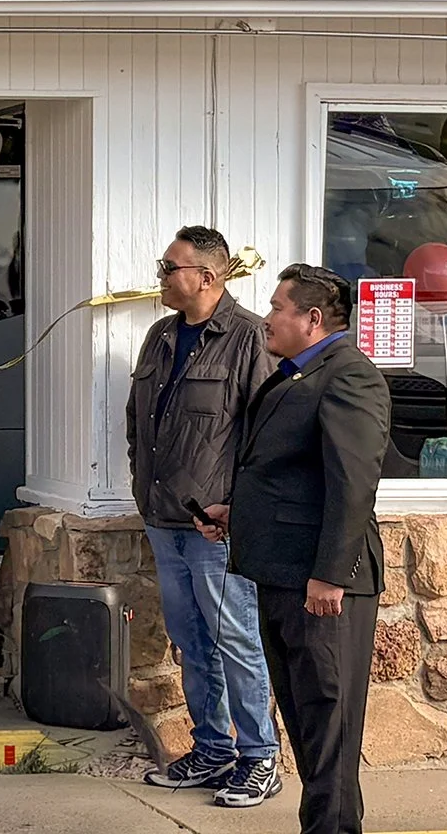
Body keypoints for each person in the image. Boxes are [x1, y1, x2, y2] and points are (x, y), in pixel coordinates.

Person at [198, 264, 389, 834]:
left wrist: (331, 574)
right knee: (309, 725)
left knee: (328, 724)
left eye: (278, 307)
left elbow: (353, 482)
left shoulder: (349, 376)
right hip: (283, 575)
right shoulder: (294, 375)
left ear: (311, 319)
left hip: (323, 584)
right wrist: (240, 516)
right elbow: (293, 476)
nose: (266, 318)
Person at [125, 226, 282, 806]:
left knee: (234, 637)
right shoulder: (160, 336)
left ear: (208, 277)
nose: (162, 276)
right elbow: (138, 424)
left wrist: (237, 509)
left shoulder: (248, 339)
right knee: (191, 640)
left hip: (216, 526)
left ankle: (260, 755)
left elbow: (268, 436)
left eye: (171, 267)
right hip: (163, 517)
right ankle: (213, 749)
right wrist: (143, 489)